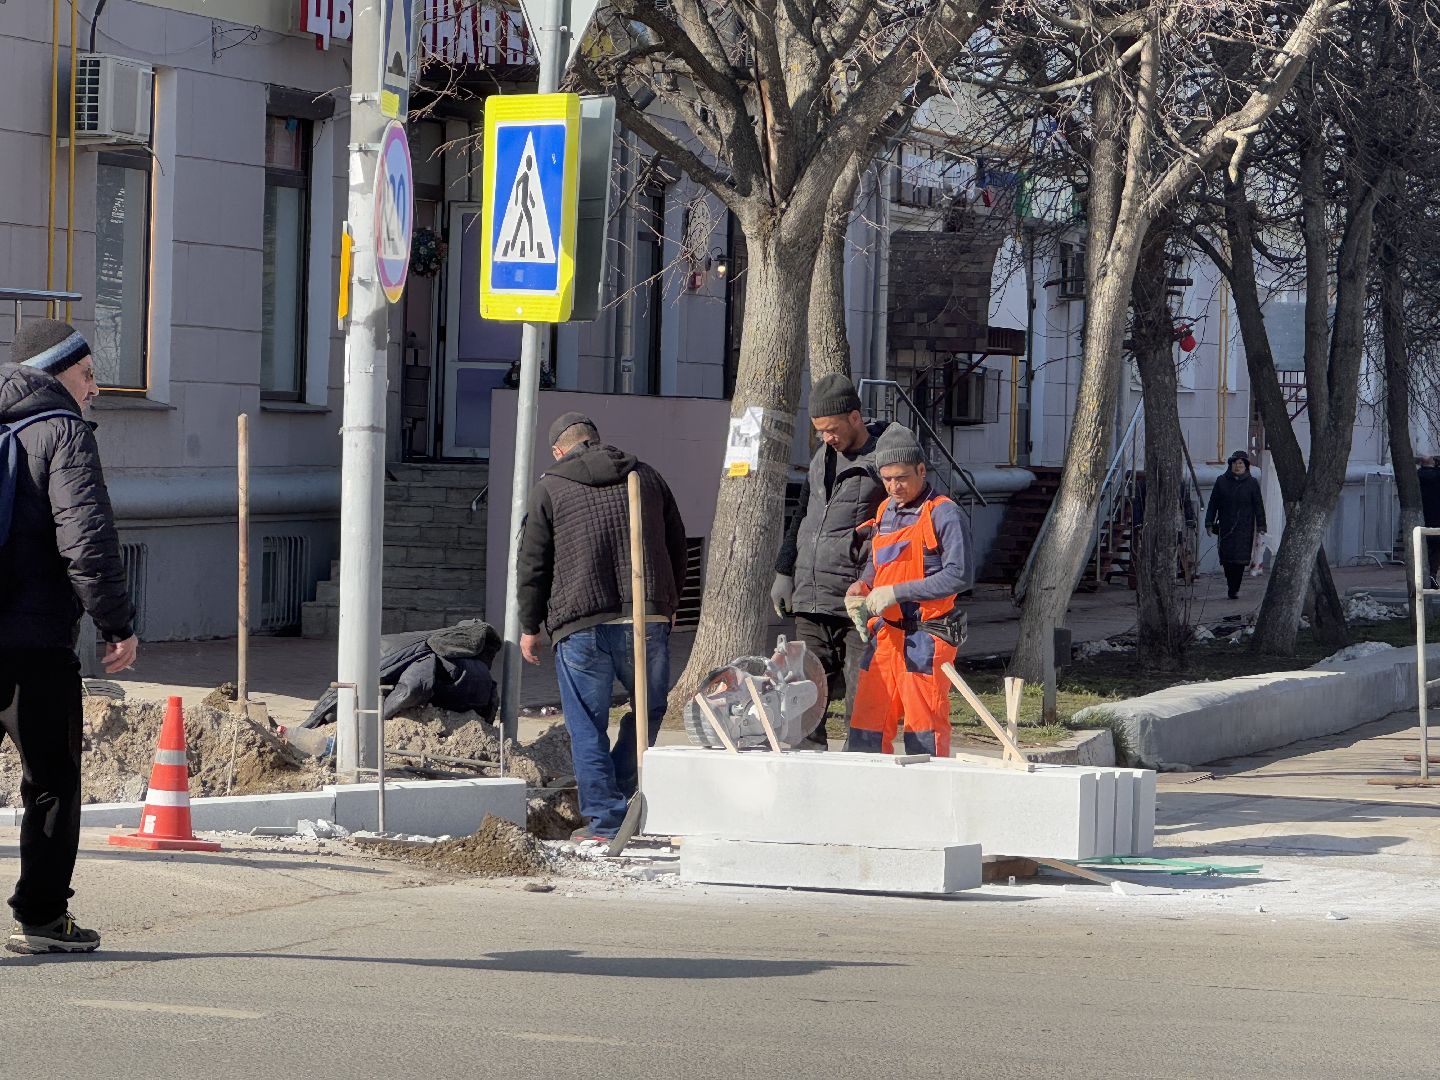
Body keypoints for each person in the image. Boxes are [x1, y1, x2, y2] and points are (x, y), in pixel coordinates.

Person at [1, 320, 137, 955]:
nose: (95, 388)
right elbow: (85, 540)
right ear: (54, 372)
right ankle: (42, 919)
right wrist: (116, 622)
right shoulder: (62, 432)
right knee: (52, 781)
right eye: (86, 375)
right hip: (34, 645)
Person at [517, 412, 687, 841]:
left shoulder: (550, 488)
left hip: (582, 625)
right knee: (648, 713)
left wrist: (530, 624)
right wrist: (667, 603)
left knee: (586, 723)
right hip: (645, 617)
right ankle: (627, 792)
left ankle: (606, 820)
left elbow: (533, 564)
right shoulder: (646, 477)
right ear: (595, 440)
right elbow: (677, 544)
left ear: (560, 450)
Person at [771, 375, 888, 748]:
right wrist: (784, 571)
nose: (827, 438)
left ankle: (861, 774)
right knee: (805, 698)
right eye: (820, 431)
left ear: (855, 418)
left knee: (862, 701)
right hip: (810, 598)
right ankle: (809, 773)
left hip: (856, 601)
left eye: (831, 430)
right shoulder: (822, 457)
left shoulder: (883, 460)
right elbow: (801, 515)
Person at [843, 426, 968, 758]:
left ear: (921, 471)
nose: (893, 487)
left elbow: (959, 575)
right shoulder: (885, 510)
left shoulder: (943, 512)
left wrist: (897, 592)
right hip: (886, 635)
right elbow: (879, 559)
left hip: (926, 637)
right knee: (866, 726)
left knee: (922, 732)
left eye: (901, 478)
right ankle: (866, 797)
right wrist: (864, 584)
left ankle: (929, 801)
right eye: (887, 479)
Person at [1205, 449, 1267, 600]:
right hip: (1225, 526)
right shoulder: (1221, 481)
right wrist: (1209, 522)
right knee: (1226, 559)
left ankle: (1235, 588)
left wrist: (1261, 526)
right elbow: (1213, 503)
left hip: (1244, 528)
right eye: (1235, 463)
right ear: (1230, 465)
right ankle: (1230, 584)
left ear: (1246, 466)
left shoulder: (1252, 483)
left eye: (1241, 463)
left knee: (1240, 561)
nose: (1238, 466)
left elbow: (1258, 505)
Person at [1416, 455, 1440, 586]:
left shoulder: (1416, 475)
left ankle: (1422, 576)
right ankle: (1432, 574)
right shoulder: (1437, 476)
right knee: (1435, 548)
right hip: (1436, 517)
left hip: (1421, 516)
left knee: (1422, 547)